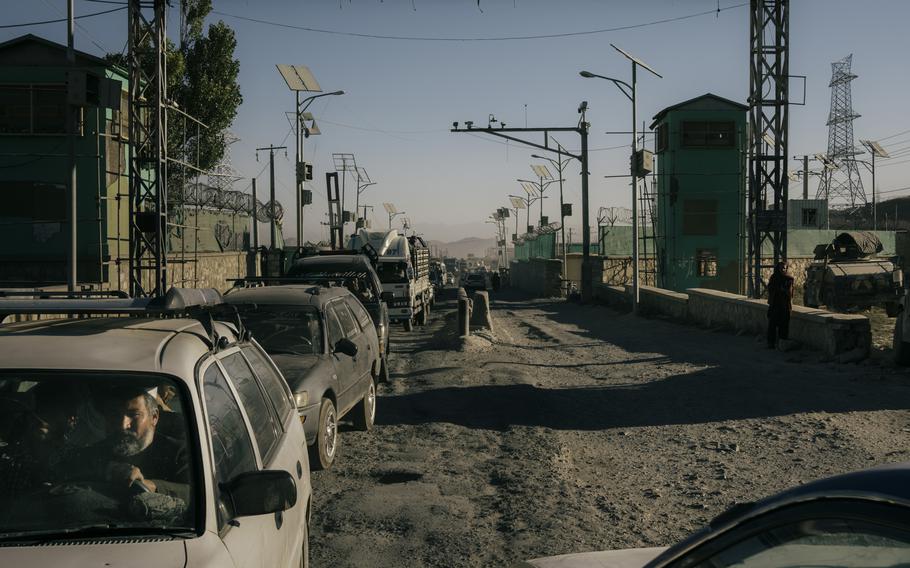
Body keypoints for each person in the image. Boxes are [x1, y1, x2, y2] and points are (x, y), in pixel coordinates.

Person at [68, 386, 190, 505]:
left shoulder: (179, 452)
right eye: (115, 415)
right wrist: (107, 470)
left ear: (154, 417)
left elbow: (194, 492)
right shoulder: (96, 452)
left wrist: (148, 485)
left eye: (133, 415)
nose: (123, 425)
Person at [767, 261, 794, 348]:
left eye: (785, 268)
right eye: (782, 268)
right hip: (775, 305)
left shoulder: (789, 279)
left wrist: (783, 290)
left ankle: (782, 343)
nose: (784, 269)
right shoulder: (774, 278)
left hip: (785, 306)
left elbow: (790, 293)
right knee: (772, 324)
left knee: (784, 325)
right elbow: (770, 288)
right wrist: (778, 289)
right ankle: (771, 343)